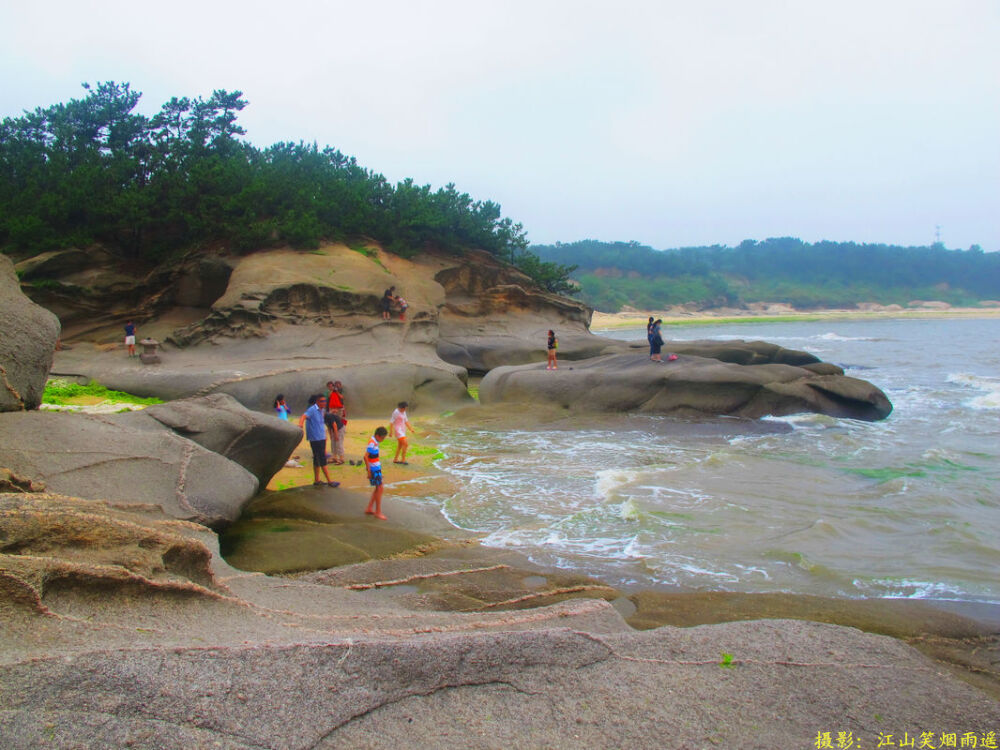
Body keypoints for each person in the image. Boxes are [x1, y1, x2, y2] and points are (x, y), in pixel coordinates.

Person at [298, 395, 339, 487]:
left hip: (321, 437)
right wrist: (300, 425)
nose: (324, 403)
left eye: (325, 401)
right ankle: (330, 481)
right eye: (322, 401)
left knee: (317, 459)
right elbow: (304, 416)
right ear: (317, 401)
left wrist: (332, 412)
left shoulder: (322, 410)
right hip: (316, 438)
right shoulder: (312, 409)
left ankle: (317, 480)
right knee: (322, 459)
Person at [364, 426, 389, 520]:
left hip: (376, 468)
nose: (383, 440)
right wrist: (369, 471)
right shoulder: (372, 443)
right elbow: (365, 457)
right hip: (374, 469)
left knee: (378, 488)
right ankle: (378, 512)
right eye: (382, 438)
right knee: (380, 488)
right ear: (378, 436)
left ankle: (369, 508)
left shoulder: (375, 441)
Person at [324, 380, 346, 464]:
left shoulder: (328, 416)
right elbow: (329, 426)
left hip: (339, 428)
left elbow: (334, 425)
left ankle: (341, 458)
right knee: (333, 443)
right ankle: (334, 457)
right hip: (335, 428)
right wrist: (331, 435)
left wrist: (335, 435)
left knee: (338, 442)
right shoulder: (325, 417)